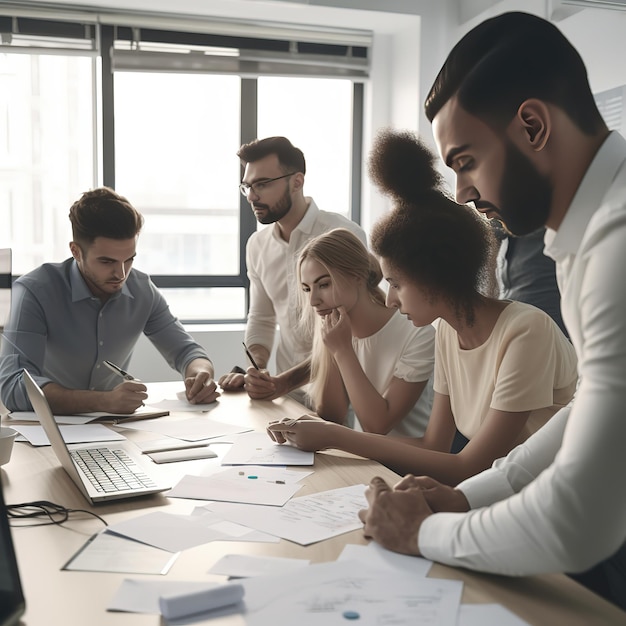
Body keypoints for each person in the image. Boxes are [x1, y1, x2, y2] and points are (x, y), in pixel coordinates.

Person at [358, 12, 626, 610]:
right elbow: (590, 411)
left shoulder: (617, 243)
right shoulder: (584, 237)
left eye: (466, 161)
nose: (462, 194)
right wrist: (468, 497)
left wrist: (422, 532)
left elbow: (579, 520)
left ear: (532, 125)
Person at [267, 129, 578, 486]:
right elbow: (435, 447)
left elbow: (469, 466)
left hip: (553, 505)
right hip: (500, 496)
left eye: (396, 283)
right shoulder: (447, 331)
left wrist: (336, 437)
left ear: (433, 278)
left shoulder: (526, 331)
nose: (389, 298)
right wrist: (330, 440)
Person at [0, 187, 219, 414]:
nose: (121, 274)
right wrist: (103, 401)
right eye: (107, 262)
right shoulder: (33, 292)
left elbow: (187, 352)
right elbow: (14, 388)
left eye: (129, 260)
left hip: (114, 429)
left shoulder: (142, 290)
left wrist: (200, 374)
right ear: (76, 251)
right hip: (44, 431)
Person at [217, 136, 366, 403]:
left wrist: (282, 383)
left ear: (297, 182)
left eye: (262, 184)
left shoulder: (343, 235)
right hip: (288, 396)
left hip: (345, 393)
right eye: (247, 186)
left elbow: (355, 330)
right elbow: (262, 318)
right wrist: (258, 369)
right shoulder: (257, 245)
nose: (252, 196)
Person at [297, 227, 435, 437]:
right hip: (366, 459)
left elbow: (378, 426)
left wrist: (342, 350)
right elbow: (333, 416)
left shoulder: (417, 333)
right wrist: (333, 348)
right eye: (307, 288)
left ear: (358, 276)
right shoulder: (336, 331)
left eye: (323, 284)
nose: (313, 300)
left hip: (409, 465)